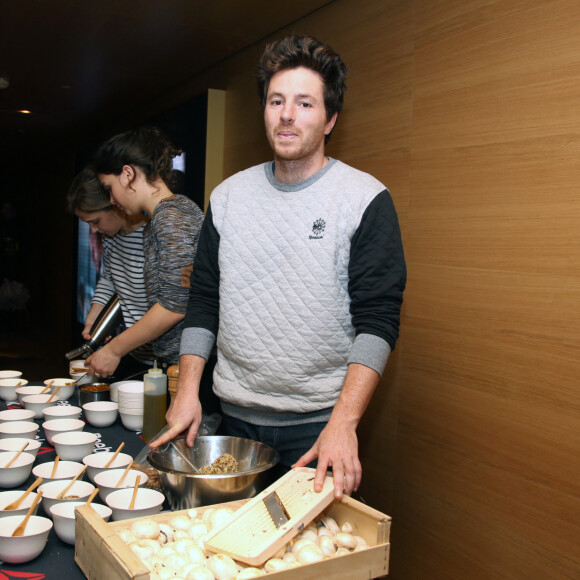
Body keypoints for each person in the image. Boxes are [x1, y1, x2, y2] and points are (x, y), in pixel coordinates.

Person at [153, 35, 407, 499]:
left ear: (330, 119)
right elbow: (204, 300)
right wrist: (188, 389)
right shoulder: (228, 196)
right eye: (276, 100)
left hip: (317, 428)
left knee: (303, 563)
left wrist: (344, 423)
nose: (287, 114)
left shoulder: (364, 198)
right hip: (233, 420)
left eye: (305, 103)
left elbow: (378, 320)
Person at [86, 126, 206, 382]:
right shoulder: (160, 218)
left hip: (192, 367)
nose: (112, 198)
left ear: (127, 173)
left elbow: (174, 305)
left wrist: (115, 349)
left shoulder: (171, 217)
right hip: (177, 362)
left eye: (109, 187)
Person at [67, 167, 154, 379]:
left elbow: (169, 305)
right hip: (137, 351)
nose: (94, 230)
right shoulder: (112, 237)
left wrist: (116, 348)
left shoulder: (151, 236)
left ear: (116, 205)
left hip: (164, 357)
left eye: (95, 221)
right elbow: (109, 279)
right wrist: (93, 319)